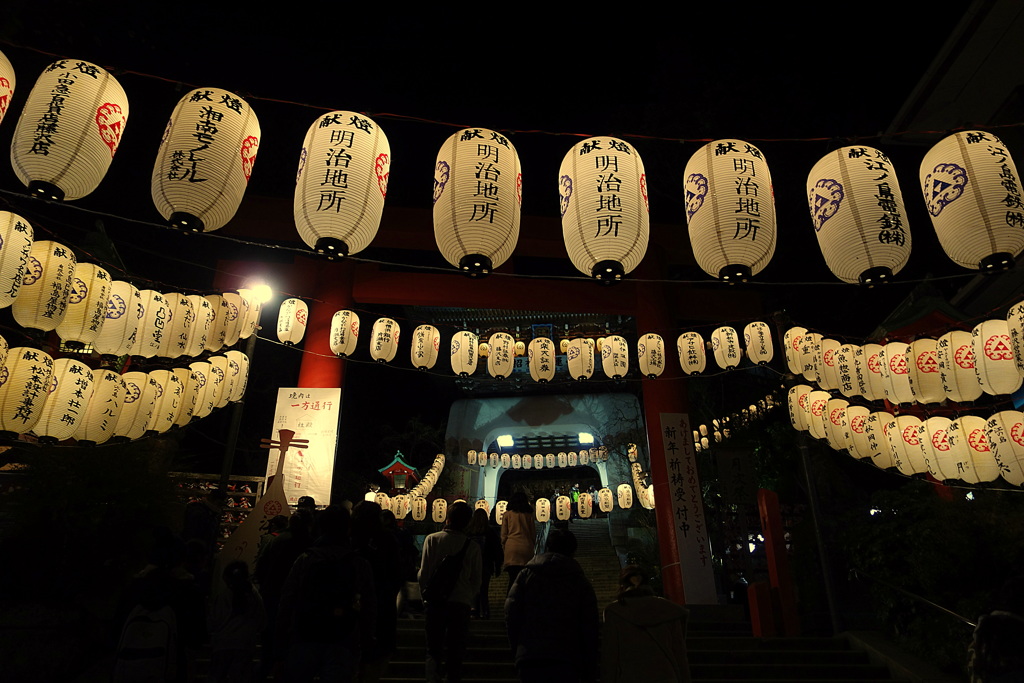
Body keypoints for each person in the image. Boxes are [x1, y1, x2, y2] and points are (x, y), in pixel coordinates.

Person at [277, 505, 376, 683]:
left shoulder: (306, 559)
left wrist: (283, 634)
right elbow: (369, 606)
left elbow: (287, 598)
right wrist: (367, 641)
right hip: (343, 635)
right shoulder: (358, 563)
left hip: (306, 632)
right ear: (349, 528)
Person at [504, 529, 598, 682]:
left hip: (530, 655)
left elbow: (511, 613)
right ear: (573, 551)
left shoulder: (526, 575)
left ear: (547, 547)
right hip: (568, 656)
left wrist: (518, 647)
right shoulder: (579, 582)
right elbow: (589, 624)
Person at [418, 501, 482, 683]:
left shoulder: (432, 539)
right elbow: (476, 580)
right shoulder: (473, 547)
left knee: (433, 649)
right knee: (456, 650)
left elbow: (424, 573)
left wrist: (426, 596)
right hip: (460, 604)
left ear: (447, 518)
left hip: (435, 602)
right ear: (468, 522)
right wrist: (468, 598)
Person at [602, 565, 690, 683]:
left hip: (630, 676)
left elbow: (611, 656)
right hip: (666, 675)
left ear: (622, 585)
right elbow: (679, 653)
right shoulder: (669, 610)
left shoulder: (614, 612)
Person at [207, 560, 267, 683]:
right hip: (245, 644)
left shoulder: (224, 595)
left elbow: (215, 620)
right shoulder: (254, 595)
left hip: (223, 643)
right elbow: (262, 621)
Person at [466, 507, 502, 619]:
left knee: (473, 588)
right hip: (486, 564)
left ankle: (474, 610)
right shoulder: (490, 532)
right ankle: (485, 611)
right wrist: (498, 565)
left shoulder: (468, 532)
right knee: (484, 589)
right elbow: (497, 549)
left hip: (471, 565)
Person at [500, 492, 536, 594]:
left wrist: (504, 547)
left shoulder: (507, 515)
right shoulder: (528, 515)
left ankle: (511, 603)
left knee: (512, 580)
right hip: (526, 547)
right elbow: (533, 534)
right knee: (525, 580)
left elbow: (503, 535)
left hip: (511, 548)